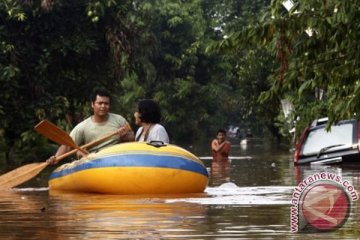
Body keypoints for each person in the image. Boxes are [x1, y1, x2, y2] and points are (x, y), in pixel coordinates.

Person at [47, 88, 134, 164]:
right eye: (100, 103)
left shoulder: (119, 120)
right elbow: (67, 145)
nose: (103, 106)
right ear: (92, 104)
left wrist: (124, 136)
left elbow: (132, 137)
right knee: (79, 152)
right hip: (95, 162)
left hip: (116, 158)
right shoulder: (82, 127)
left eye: (106, 103)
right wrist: (56, 158)